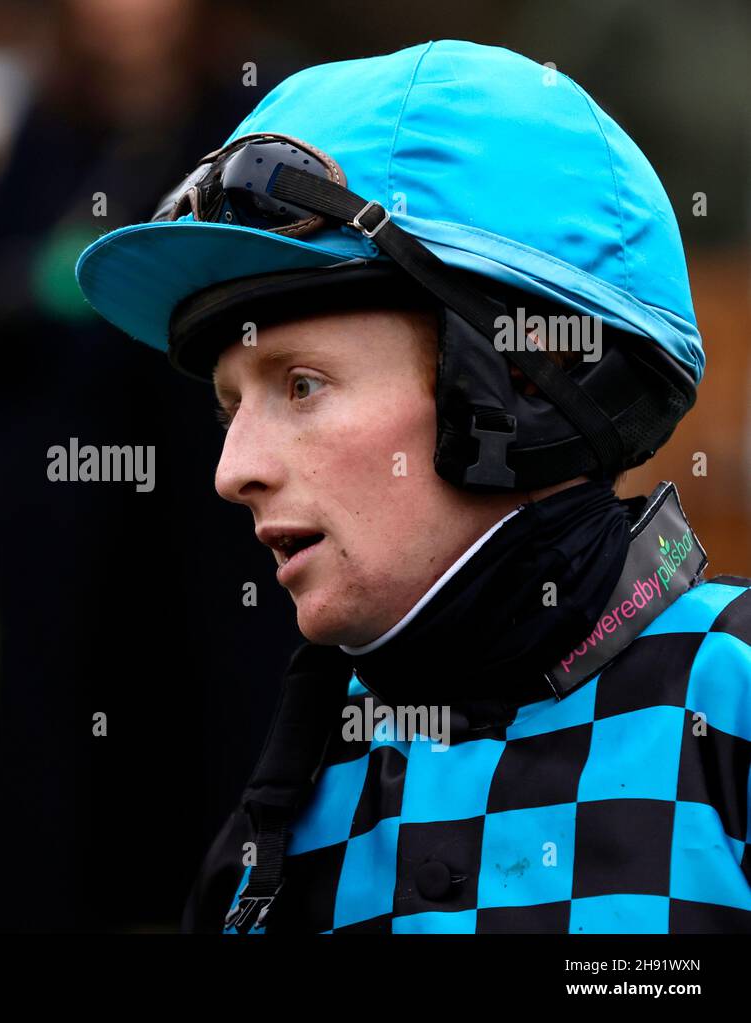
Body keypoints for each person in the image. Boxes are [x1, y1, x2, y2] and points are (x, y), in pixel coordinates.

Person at [75, 40, 751, 933]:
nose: (232, 471)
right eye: (229, 406)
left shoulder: (732, 705)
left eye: (301, 385)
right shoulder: (283, 803)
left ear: (519, 379)